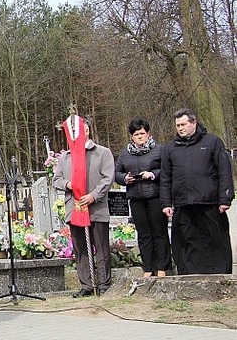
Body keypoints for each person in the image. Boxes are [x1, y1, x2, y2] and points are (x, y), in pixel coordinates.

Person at [160, 108, 234, 274]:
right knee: (188, 241)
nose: (180, 128)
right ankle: (190, 274)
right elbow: (165, 178)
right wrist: (166, 203)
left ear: (194, 123)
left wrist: (225, 198)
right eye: (177, 125)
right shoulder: (170, 148)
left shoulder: (212, 142)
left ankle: (220, 273)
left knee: (216, 239)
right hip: (183, 203)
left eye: (183, 124)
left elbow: (224, 171)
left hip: (209, 202)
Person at [53, 117, 114, 297]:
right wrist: (69, 184)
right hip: (75, 207)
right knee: (80, 247)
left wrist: (93, 196)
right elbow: (56, 180)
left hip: (96, 208)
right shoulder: (65, 157)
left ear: (86, 131)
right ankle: (86, 283)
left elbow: (108, 177)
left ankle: (103, 282)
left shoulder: (102, 153)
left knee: (101, 246)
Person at [115, 119, 171, 277]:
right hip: (136, 198)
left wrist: (153, 174)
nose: (140, 137)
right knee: (144, 233)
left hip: (155, 196)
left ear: (148, 134)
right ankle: (148, 267)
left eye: (142, 134)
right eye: (136, 134)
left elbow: (167, 170)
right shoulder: (126, 154)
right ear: (131, 137)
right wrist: (125, 178)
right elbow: (116, 173)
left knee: (159, 232)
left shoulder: (160, 150)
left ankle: (163, 267)